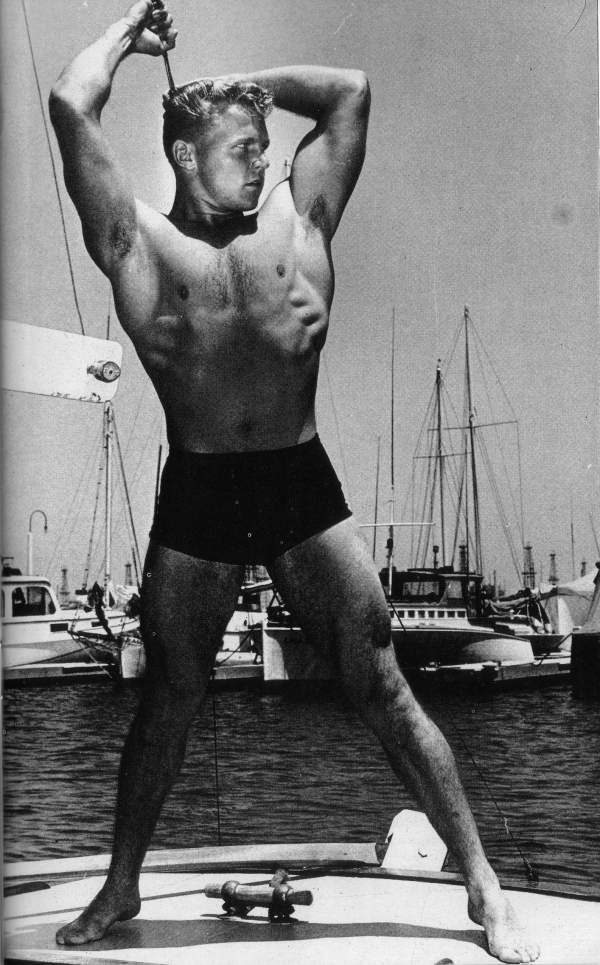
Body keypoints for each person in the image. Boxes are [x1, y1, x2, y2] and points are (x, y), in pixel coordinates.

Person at [49, 3, 539, 961]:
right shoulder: (136, 242)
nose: (265, 160)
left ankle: (482, 879)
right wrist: (127, 35)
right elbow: (72, 103)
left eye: (268, 145)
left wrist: (242, 88)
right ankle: (120, 883)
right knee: (170, 697)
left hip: (296, 481)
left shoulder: (303, 217)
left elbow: (351, 92)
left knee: (382, 681)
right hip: (197, 488)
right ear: (185, 157)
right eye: (241, 148)